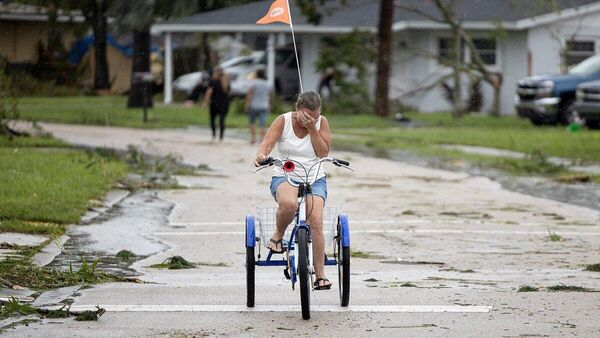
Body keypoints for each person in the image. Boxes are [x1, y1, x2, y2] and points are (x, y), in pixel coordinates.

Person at [254, 91, 333, 290]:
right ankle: (278, 235)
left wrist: (312, 128)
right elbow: (267, 143)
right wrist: (262, 155)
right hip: (285, 174)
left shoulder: (321, 123)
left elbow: (323, 153)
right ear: (297, 109)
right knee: (289, 205)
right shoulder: (284, 120)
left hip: (314, 177)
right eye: (306, 115)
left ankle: (320, 274)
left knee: (315, 221)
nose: (310, 119)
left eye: (314, 116)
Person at [202, 67, 230, 141]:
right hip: (224, 103)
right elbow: (228, 93)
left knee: (212, 120)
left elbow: (209, 92)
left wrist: (205, 102)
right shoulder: (226, 81)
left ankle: (214, 135)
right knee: (222, 120)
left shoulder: (213, 81)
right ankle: (221, 137)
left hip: (215, 103)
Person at [245, 69, 272, 144]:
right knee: (262, 124)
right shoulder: (267, 84)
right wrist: (270, 105)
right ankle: (261, 139)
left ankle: (253, 139)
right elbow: (269, 96)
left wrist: (247, 104)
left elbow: (249, 95)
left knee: (252, 122)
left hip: (254, 105)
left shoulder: (253, 83)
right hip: (264, 105)